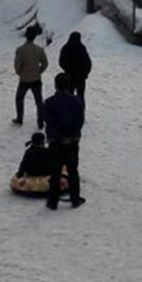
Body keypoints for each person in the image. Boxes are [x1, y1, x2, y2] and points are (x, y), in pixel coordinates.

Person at [44, 73, 85, 210]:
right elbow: (80, 121)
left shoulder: (49, 102)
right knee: (73, 170)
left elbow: (48, 121)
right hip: (72, 141)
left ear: (55, 85)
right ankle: (75, 199)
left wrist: (58, 134)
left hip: (55, 141)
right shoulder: (77, 101)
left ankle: (52, 201)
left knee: (55, 172)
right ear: (69, 85)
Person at [13, 25, 48, 127]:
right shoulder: (39, 50)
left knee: (19, 98)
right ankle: (40, 121)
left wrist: (21, 73)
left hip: (24, 79)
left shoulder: (20, 50)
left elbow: (17, 65)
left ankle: (19, 118)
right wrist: (39, 71)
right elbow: (45, 64)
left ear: (26, 36)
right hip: (36, 79)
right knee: (38, 101)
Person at [58, 32, 92, 103]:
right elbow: (88, 63)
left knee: (69, 96)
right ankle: (80, 112)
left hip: (69, 77)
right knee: (81, 96)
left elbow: (61, 62)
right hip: (80, 77)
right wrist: (85, 73)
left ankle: (70, 111)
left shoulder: (66, 48)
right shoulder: (82, 48)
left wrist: (67, 70)